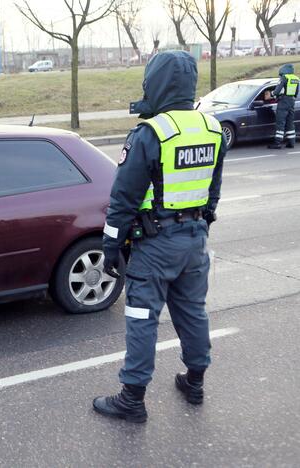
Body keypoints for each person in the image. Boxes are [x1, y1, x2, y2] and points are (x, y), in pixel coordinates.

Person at [93, 50, 227, 423]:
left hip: (155, 244)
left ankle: (132, 399)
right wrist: (200, 226)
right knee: (193, 312)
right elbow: (213, 191)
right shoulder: (213, 128)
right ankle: (195, 382)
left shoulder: (151, 133)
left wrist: (111, 245)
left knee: (140, 316)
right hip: (194, 239)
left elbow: (123, 198)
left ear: (156, 82)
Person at [268, 63, 299, 149]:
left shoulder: (284, 78)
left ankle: (277, 143)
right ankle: (291, 142)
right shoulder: (296, 79)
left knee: (280, 123)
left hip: (283, 102)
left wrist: (272, 94)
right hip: (292, 102)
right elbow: (296, 92)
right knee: (290, 123)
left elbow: (277, 91)